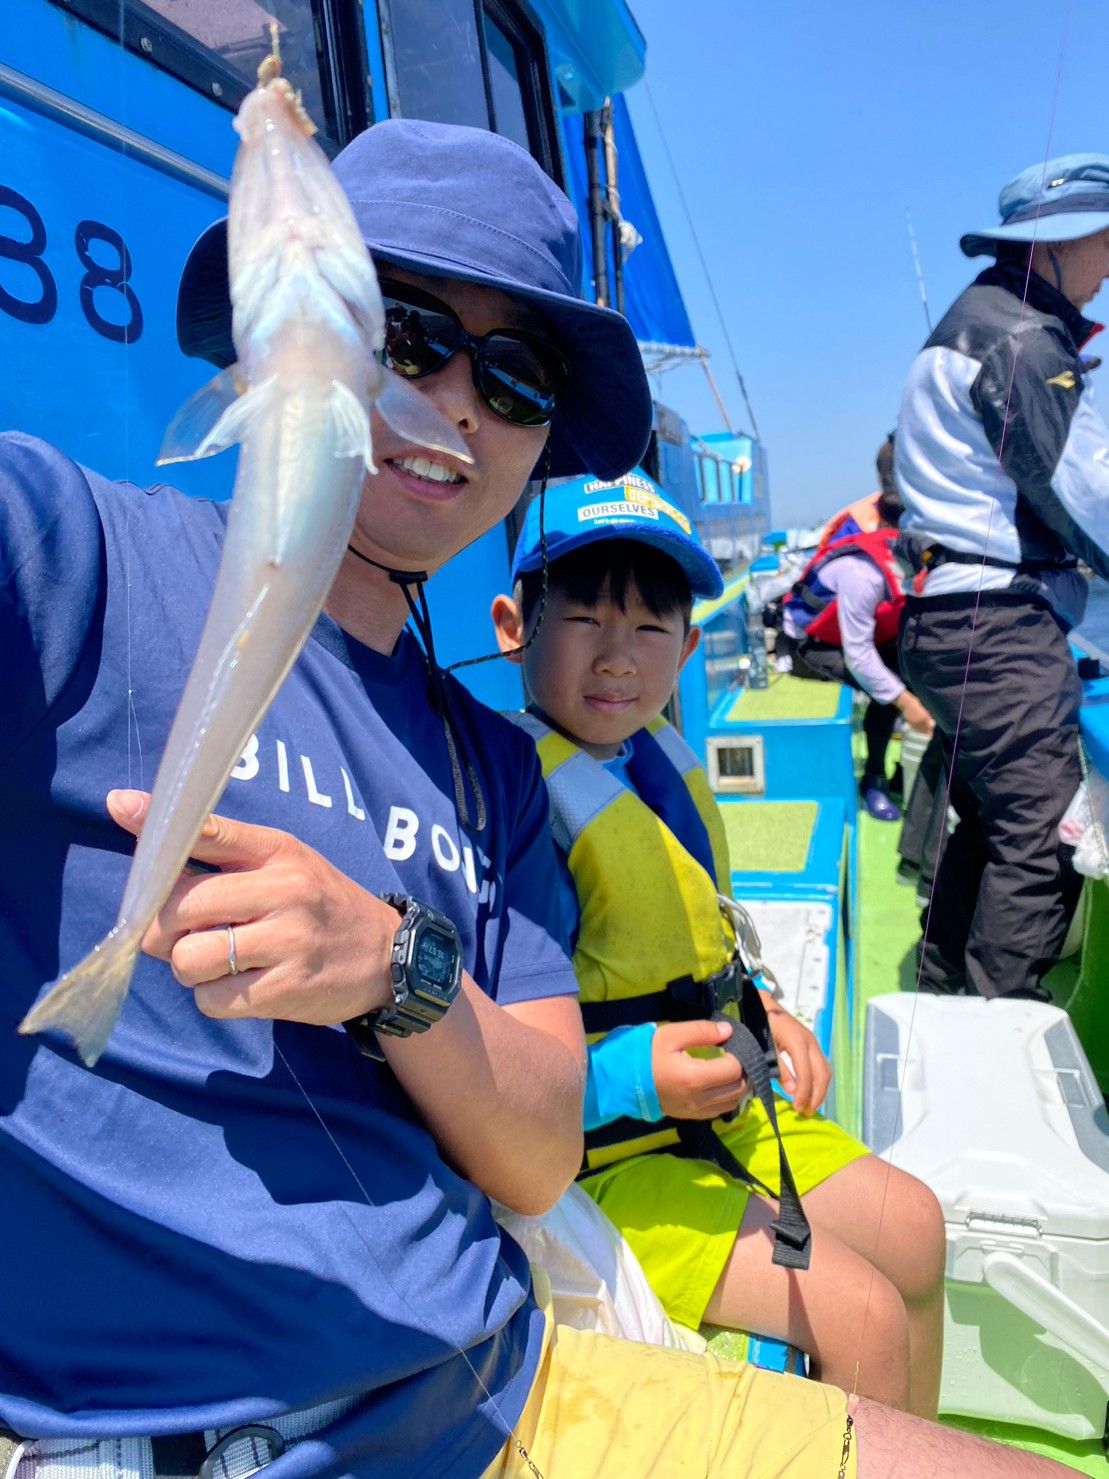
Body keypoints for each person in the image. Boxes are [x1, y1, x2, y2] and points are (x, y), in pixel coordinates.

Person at [0, 119, 1081, 1479]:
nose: (457, 401)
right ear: (281, 333)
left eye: (513, 379)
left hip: (502, 1385)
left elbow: (532, 1155)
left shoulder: (491, 766)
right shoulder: (78, 555)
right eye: (401, 336)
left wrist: (395, 965)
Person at [491, 470, 947, 1416]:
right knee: (861, 1315)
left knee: (915, 1224)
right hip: (598, 1165)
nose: (618, 657)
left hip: (720, 1114)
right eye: (583, 619)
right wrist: (635, 1077)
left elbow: (695, 942)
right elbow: (489, 1060)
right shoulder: (513, 809)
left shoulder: (650, 766)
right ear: (512, 626)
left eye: (650, 627)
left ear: (690, 646)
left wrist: (764, 1010)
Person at [895, 152, 1109, 1001]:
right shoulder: (1019, 338)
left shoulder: (982, 318)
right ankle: (998, 1027)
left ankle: (941, 993)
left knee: (991, 822)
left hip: (954, 620)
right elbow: (1086, 502)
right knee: (1043, 833)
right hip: (996, 624)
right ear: (1059, 242)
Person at [778, 485, 935, 821]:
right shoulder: (862, 573)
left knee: (916, 669)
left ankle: (906, 771)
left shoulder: (909, 560)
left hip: (859, 637)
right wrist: (908, 704)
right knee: (886, 689)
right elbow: (859, 657)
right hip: (809, 647)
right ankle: (873, 779)